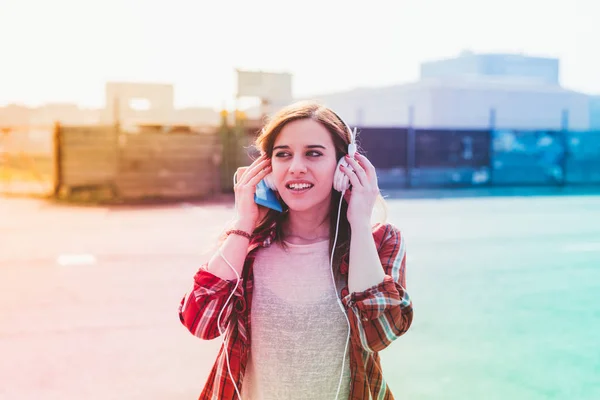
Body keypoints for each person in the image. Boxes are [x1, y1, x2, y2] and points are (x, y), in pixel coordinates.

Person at [178, 101, 413, 400]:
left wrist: (358, 222)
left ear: (345, 167)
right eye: (283, 155)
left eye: (313, 153)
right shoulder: (245, 242)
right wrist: (245, 222)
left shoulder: (380, 242)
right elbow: (201, 324)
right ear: (267, 168)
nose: (296, 167)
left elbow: (380, 333)